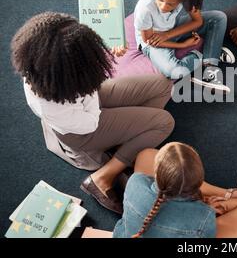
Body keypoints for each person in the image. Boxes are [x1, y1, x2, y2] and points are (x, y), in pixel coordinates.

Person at [11, 12, 175, 214]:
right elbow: (90, 121)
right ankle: (103, 176)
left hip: (87, 98)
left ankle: (130, 141)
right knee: (164, 122)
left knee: (163, 84)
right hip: (84, 130)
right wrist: (91, 84)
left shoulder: (41, 68)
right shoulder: (52, 104)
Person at [113, 142, 237, 238]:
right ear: (199, 183)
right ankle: (224, 195)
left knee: (146, 154)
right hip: (196, 222)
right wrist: (206, 208)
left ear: (156, 172)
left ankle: (224, 194)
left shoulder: (135, 181)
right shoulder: (203, 217)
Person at [135, 0, 235, 92]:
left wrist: (168, 34)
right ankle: (205, 53)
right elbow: (149, 40)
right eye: (160, 0)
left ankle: (210, 67)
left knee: (218, 18)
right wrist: (182, 45)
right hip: (152, 40)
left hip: (170, 29)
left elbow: (197, 21)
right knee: (176, 71)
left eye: (170, 4)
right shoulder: (145, 8)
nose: (163, 6)